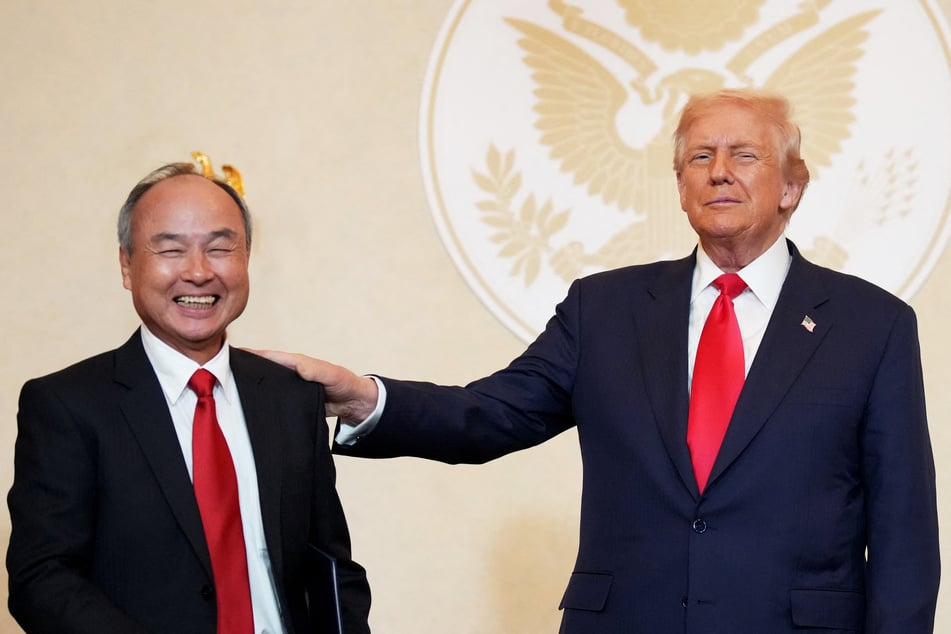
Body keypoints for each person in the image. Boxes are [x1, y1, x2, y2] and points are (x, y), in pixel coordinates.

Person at [257, 88, 940, 633]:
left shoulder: (870, 325)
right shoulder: (604, 310)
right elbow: (489, 414)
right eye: (699, 157)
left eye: (744, 155)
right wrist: (363, 397)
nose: (720, 172)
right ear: (678, 185)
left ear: (792, 185)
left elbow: (903, 529)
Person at [6, 158, 371, 633]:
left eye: (220, 248)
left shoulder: (290, 397)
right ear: (126, 264)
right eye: (171, 250)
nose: (198, 273)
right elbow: (42, 580)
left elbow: (330, 566)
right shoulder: (66, 405)